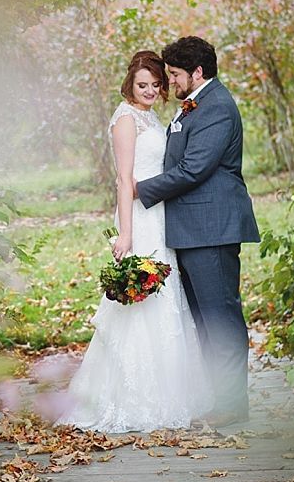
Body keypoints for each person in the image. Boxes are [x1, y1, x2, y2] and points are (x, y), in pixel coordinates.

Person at [55, 50, 213, 433]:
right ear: (130, 83)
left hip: (161, 216)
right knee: (142, 301)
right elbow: (124, 180)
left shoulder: (152, 117)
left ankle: (173, 393)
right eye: (142, 84)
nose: (149, 90)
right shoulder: (125, 119)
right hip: (139, 218)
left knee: (167, 297)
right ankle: (130, 398)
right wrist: (125, 233)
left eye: (156, 85)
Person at [135, 36, 260, 428]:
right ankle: (220, 398)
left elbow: (194, 168)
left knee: (220, 317)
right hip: (192, 230)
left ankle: (233, 404)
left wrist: (141, 190)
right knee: (205, 320)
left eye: (174, 75)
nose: (170, 83)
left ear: (197, 73)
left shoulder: (217, 107)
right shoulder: (196, 105)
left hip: (212, 229)